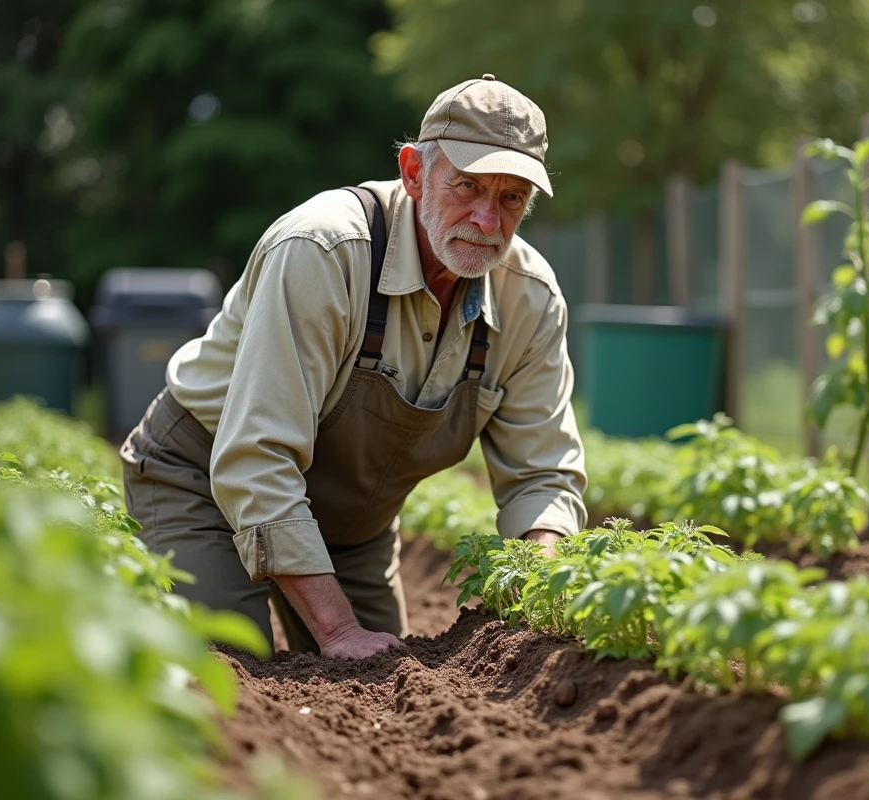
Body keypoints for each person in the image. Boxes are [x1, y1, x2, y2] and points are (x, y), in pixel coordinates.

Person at [119, 74, 587, 660]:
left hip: (351, 525)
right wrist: (338, 631)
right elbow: (256, 458)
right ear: (415, 173)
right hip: (203, 477)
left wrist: (538, 589)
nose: (487, 221)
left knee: (390, 676)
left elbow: (543, 474)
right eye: (466, 186)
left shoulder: (530, 298)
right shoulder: (323, 252)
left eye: (511, 197)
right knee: (229, 664)